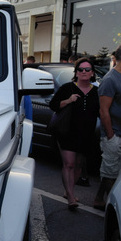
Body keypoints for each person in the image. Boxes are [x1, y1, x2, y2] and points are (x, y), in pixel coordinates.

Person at [49, 57, 100, 209]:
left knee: (78, 165)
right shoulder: (67, 88)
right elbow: (53, 105)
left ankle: (69, 189)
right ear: (76, 72)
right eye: (80, 69)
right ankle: (70, 196)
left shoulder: (97, 91)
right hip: (67, 132)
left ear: (92, 73)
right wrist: (68, 101)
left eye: (87, 70)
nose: (84, 72)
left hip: (86, 134)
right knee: (69, 164)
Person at [93, 42, 121, 209]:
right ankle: (114, 207)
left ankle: (99, 198)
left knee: (112, 170)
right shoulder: (110, 80)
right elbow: (104, 111)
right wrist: (111, 135)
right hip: (114, 134)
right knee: (111, 171)